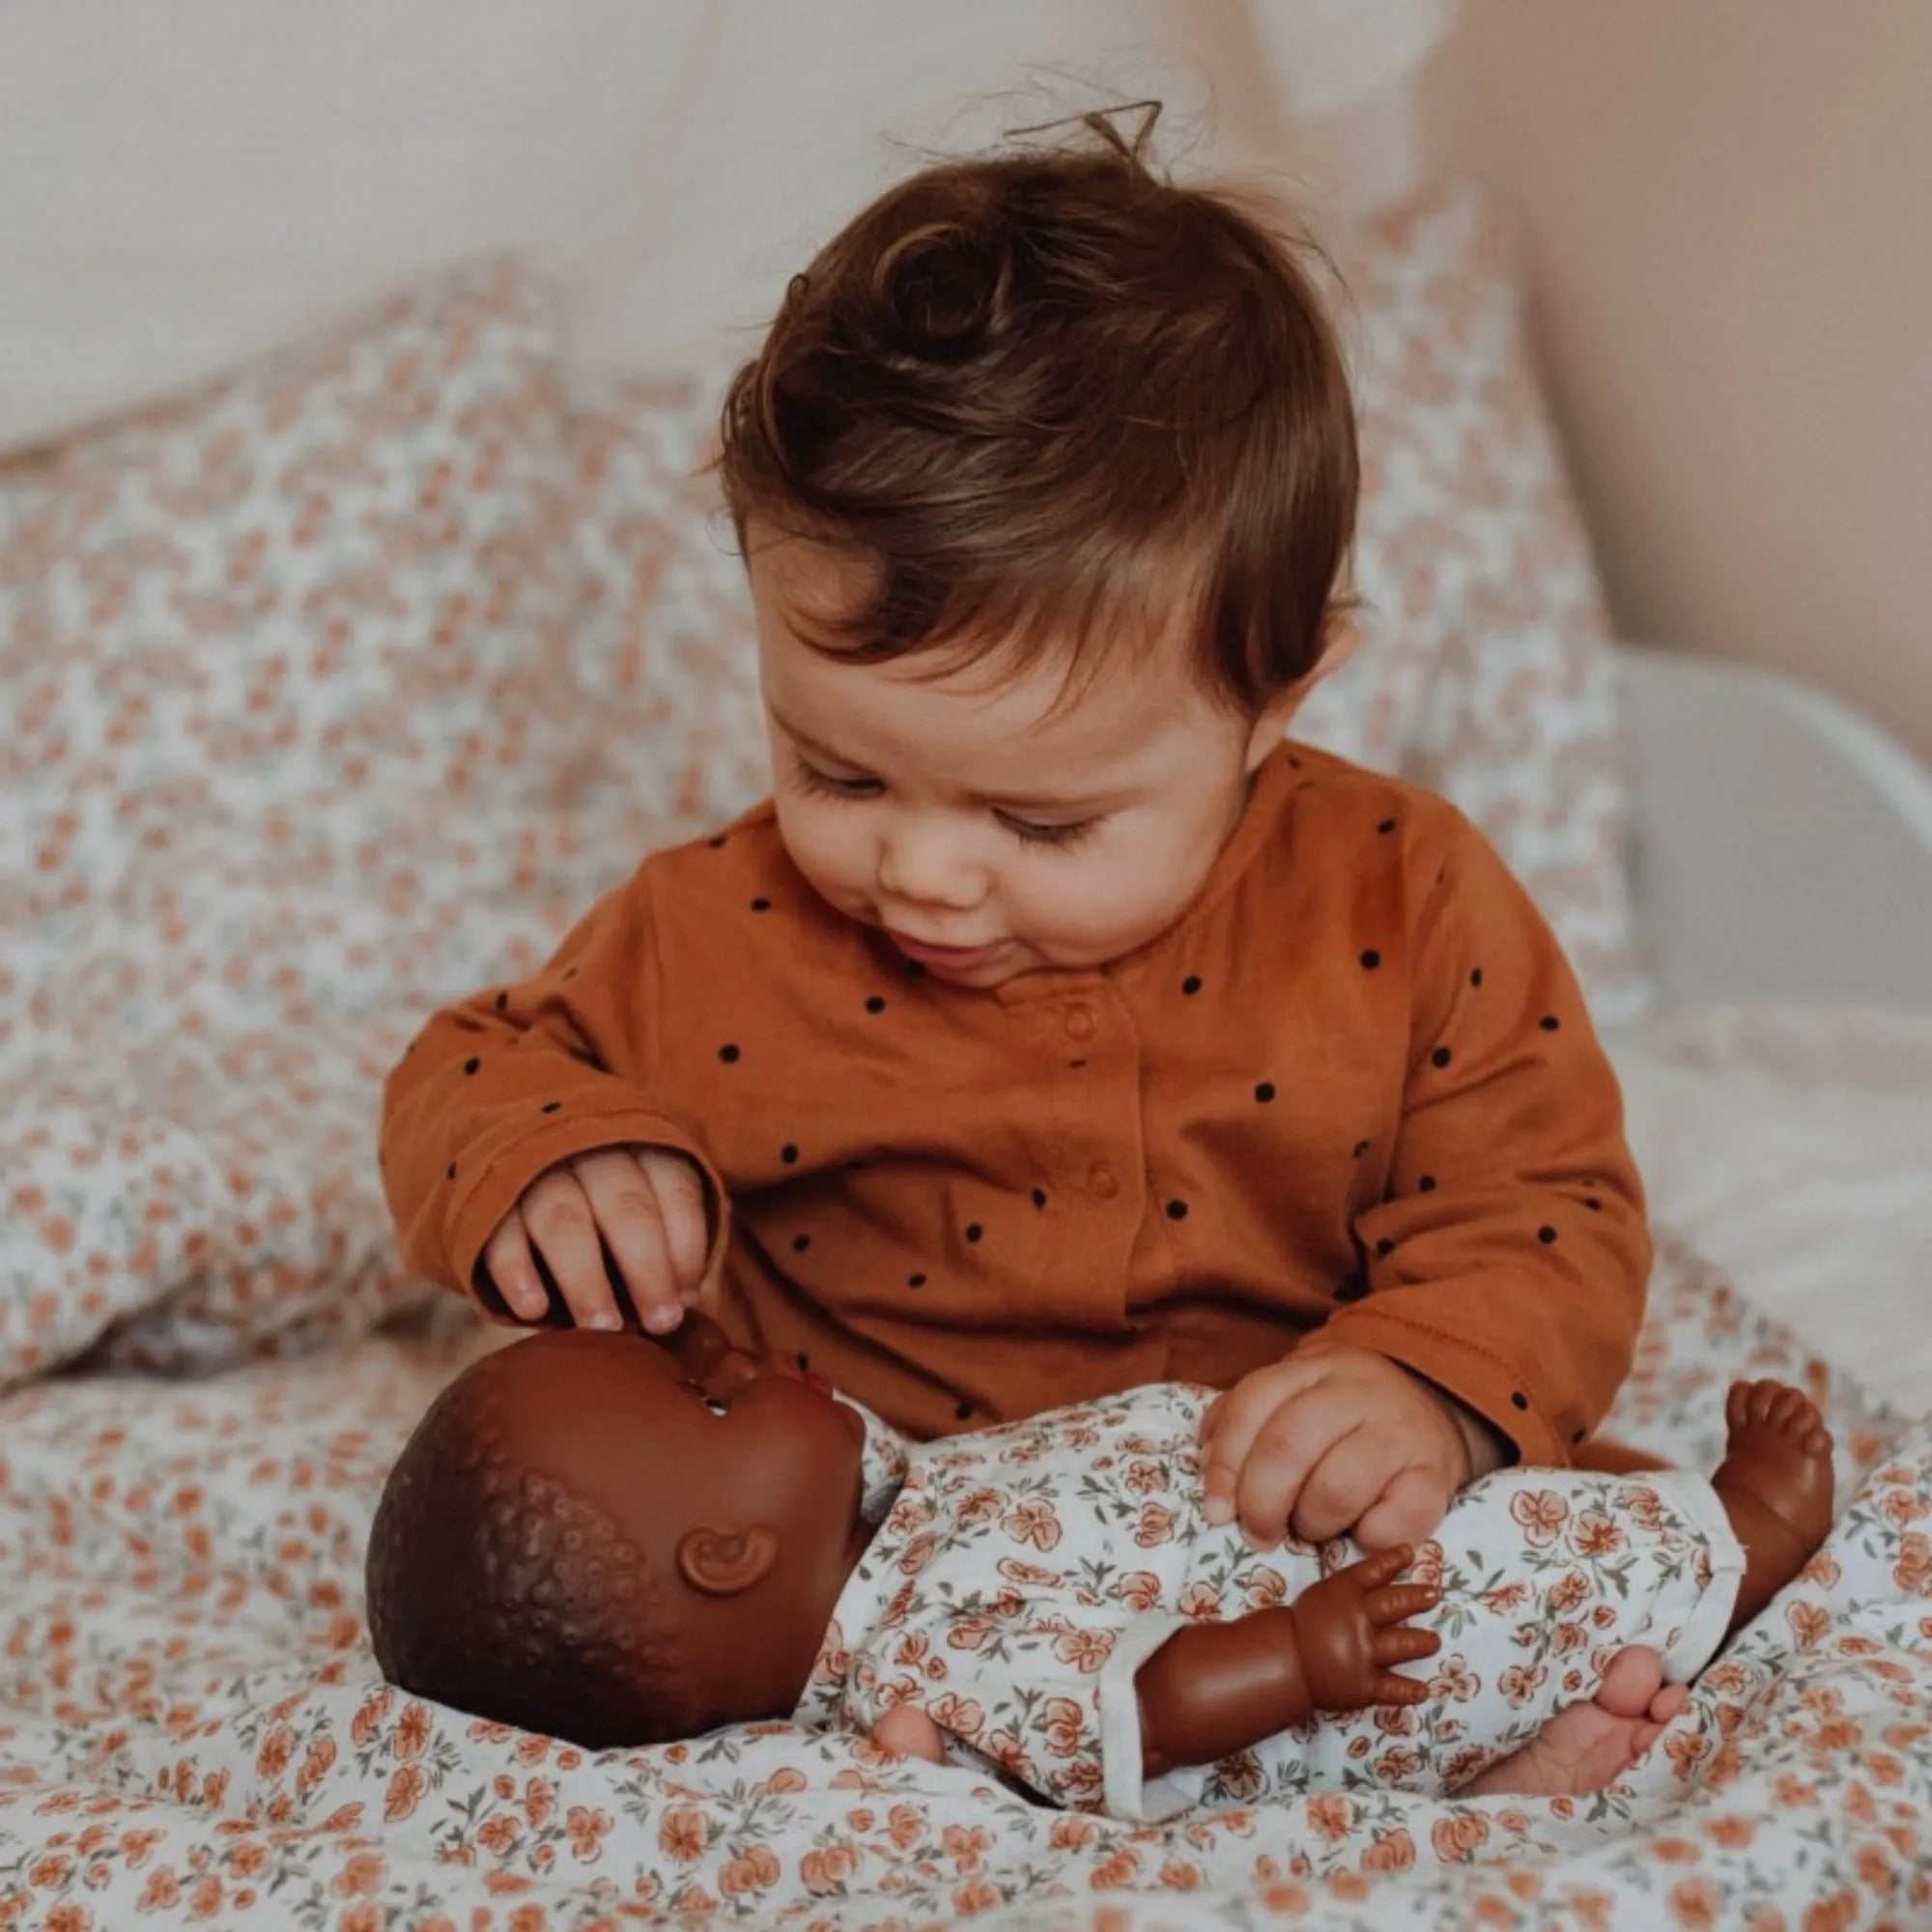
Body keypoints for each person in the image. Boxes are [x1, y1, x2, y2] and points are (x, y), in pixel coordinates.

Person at [379, 104, 1653, 1557]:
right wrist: (556, 1161)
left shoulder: (1404, 902)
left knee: (1593, 1539)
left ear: (1272, 704)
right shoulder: (712, 930)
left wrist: (1426, 1389)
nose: (918, 876)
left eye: (1043, 823)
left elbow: (1545, 1208)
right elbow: (468, 1072)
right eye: (838, 776)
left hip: (1273, 1514)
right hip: (868, 1535)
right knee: (571, 1570)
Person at [364, 1325, 1835, 1816]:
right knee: (1504, 1570)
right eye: (713, 1399)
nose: (742, 1360)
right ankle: (1740, 1542)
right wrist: (1307, 1654)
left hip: (1289, 1547)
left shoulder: (880, 1516)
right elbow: (1144, 1699)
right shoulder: (926, 1646)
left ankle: (1527, 1764)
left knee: (1504, 1485)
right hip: (1344, 1656)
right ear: (727, 1553)